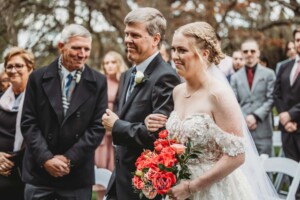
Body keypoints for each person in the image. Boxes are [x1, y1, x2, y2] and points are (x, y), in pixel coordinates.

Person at [145, 22, 278, 200]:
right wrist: (154, 124)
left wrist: (192, 187)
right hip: (178, 188)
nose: (175, 56)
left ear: (204, 54)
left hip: (212, 190)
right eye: (174, 49)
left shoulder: (219, 95)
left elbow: (237, 155)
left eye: (182, 50)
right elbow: (182, 139)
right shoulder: (177, 92)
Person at [21, 24, 107, 200]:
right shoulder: (37, 78)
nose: (82, 54)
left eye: (86, 49)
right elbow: (29, 122)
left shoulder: (99, 81)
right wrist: (46, 159)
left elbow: (97, 127)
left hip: (76, 176)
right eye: (76, 48)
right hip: (40, 174)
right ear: (61, 46)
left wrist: (68, 159)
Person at [102, 7, 181, 200]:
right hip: (120, 179)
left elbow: (159, 138)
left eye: (135, 35)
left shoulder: (166, 77)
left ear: (155, 39)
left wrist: (117, 126)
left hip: (144, 185)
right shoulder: (128, 74)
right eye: (127, 34)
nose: (128, 40)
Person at [0, 47, 35, 200]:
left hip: (28, 172)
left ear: (30, 69)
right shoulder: (1, 100)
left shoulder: (39, 101)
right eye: (9, 66)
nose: (13, 70)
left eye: (19, 66)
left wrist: (13, 159)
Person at [231, 39, 276, 156]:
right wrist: (246, 119)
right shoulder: (235, 77)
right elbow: (233, 102)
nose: (249, 54)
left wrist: (255, 117)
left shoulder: (269, 74)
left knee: (267, 169)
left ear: (258, 53)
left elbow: (271, 99)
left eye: (252, 51)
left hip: (263, 130)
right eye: (245, 51)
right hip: (244, 131)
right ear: (242, 53)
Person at [94, 51, 127, 200]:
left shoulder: (124, 81)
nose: (109, 65)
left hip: (117, 128)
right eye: (106, 63)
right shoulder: (100, 82)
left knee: (115, 168)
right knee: (101, 169)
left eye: (113, 62)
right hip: (102, 130)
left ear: (119, 63)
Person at [274, 27, 300, 199]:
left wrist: (291, 115)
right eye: (298, 40)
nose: (299, 43)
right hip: (287, 130)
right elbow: (277, 93)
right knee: (292, 174)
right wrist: (284, 116)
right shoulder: (285, 67)